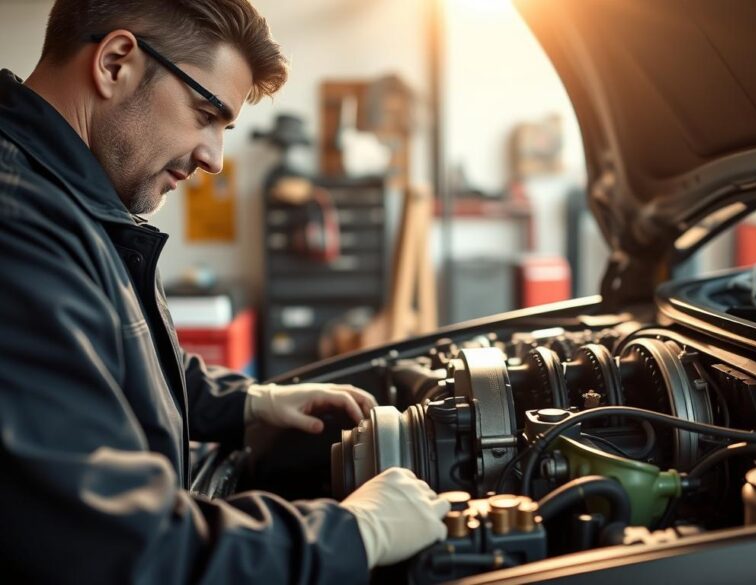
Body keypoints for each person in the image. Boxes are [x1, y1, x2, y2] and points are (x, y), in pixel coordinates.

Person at [0, 1, 448, 583]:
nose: (213, 157)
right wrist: (353, 534)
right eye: (204, 112)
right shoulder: (18, 228)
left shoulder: (64, 198)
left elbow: (103, 361)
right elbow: (115, 548)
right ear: (115, 63)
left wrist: (247, 403)